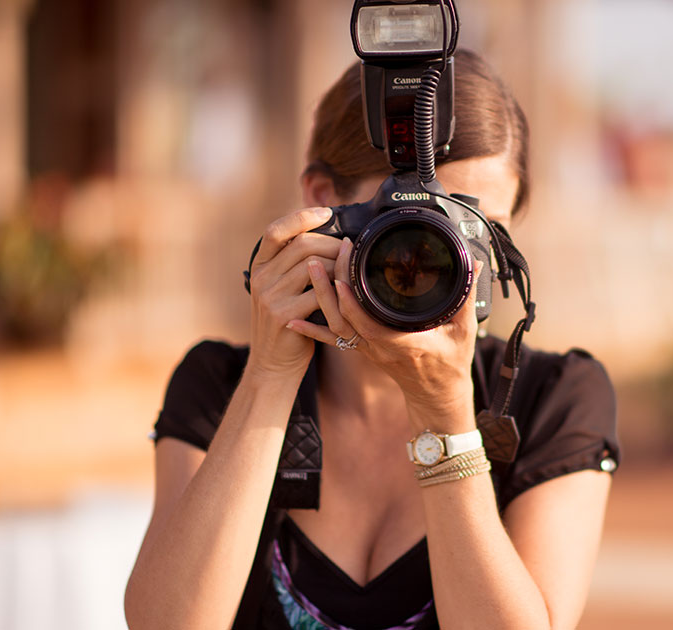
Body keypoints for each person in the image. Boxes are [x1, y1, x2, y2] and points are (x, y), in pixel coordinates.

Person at [125, 51, 620, 630]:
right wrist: (269, 378)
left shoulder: (550, 400)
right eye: (417, 228)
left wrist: (447, 419)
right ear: (321, 204)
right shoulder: (220, 387)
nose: (442, 265)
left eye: (478, 233)